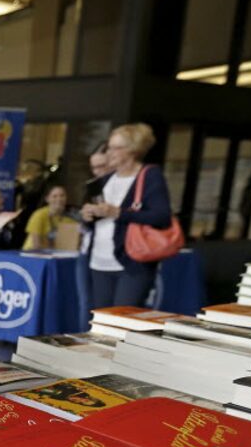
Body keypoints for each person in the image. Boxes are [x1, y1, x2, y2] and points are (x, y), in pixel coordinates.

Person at [80, 123, 173, 309]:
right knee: (102, 324)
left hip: (131, 263)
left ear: (132, 150)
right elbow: (96, 220)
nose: (110, 153)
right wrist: (88, 215)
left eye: (116, 148)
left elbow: (161, 217)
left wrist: (118, 213)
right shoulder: (106, 180)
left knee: (122, 322)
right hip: (99, 261)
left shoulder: (149, 176)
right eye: (109, 147)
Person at [22, 185, 78, 250]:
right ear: (47, 199)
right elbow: (36, 244)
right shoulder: (39, 215)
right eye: (54, 196)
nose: (59, 199)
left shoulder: (69, 220)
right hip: (33, 253)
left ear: (66, 198)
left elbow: (70, 245)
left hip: (55, 255)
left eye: (62, 196)